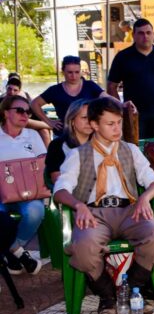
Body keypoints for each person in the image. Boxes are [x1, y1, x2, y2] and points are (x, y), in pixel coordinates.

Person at [53, 97, 154, 314]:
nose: (117, 128)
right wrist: (78, 205)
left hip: (130, 210)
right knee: (83, 248)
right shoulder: (78, 154)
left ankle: (131, 289)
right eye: (110, 124)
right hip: (95, 213)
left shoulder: (130, 150)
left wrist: (145, 198)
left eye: (119, 122)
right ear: (94, 125)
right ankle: (106, 294)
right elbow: (60, 191)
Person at [107, 18, 154, 139]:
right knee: (135, 150)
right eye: (141, 33)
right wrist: (120, 108)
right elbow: (111, 86)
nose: (145, 36)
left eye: (148, 33)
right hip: (134, 115)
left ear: (153, 34)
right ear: (134, 35)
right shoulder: (123, 57)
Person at [0, 95, 47, 275]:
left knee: (36, 211)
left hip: (28, 192)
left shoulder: (33, 135)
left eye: (28, 111)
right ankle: (19, 253)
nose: (25, 115)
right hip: (1, 193)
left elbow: (43, 165)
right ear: (5, 113)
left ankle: (10, 250)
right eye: (19, 110)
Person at [31, 55, 107, 137]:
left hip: (88, 134)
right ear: (63, 72)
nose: (74, 76)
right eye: (70, 72)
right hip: (63, 134)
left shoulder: (90, 86)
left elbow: (107, 98)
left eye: (77, 72)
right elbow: (35, 103)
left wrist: (121, 105)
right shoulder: (55, 90)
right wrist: (49, 121)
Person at [45, 99, 93, 184]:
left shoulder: (101, 143)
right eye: (84, 117)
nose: (89, 122)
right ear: (72, 120)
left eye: (92, 117)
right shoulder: (57, 145)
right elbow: (57, 181)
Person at [2, 77, 52, 146]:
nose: (11, 92)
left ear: (19, 91)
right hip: (5, 125)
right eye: (9, 89)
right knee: (22, 120)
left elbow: (36, 118)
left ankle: (49, 155)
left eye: (15, 90)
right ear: (6, 88)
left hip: (23, 125)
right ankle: (52, 125)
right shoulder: (1, 101)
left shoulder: (23, 103)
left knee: (44, 130)